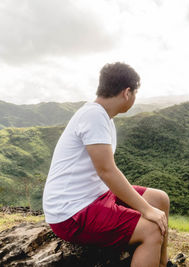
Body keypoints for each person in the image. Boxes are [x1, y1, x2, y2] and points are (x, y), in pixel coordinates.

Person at [43, 62, 169, 267]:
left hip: (95, 196)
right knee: (151, 229)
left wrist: (150, 207)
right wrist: (146, 210)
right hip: (71, 211)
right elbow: (106, 171)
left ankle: (163, 263)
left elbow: (105, 171)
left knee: (160, 199)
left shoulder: (104, 117)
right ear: (127, 93)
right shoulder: (94, 116)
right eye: (135, 93)